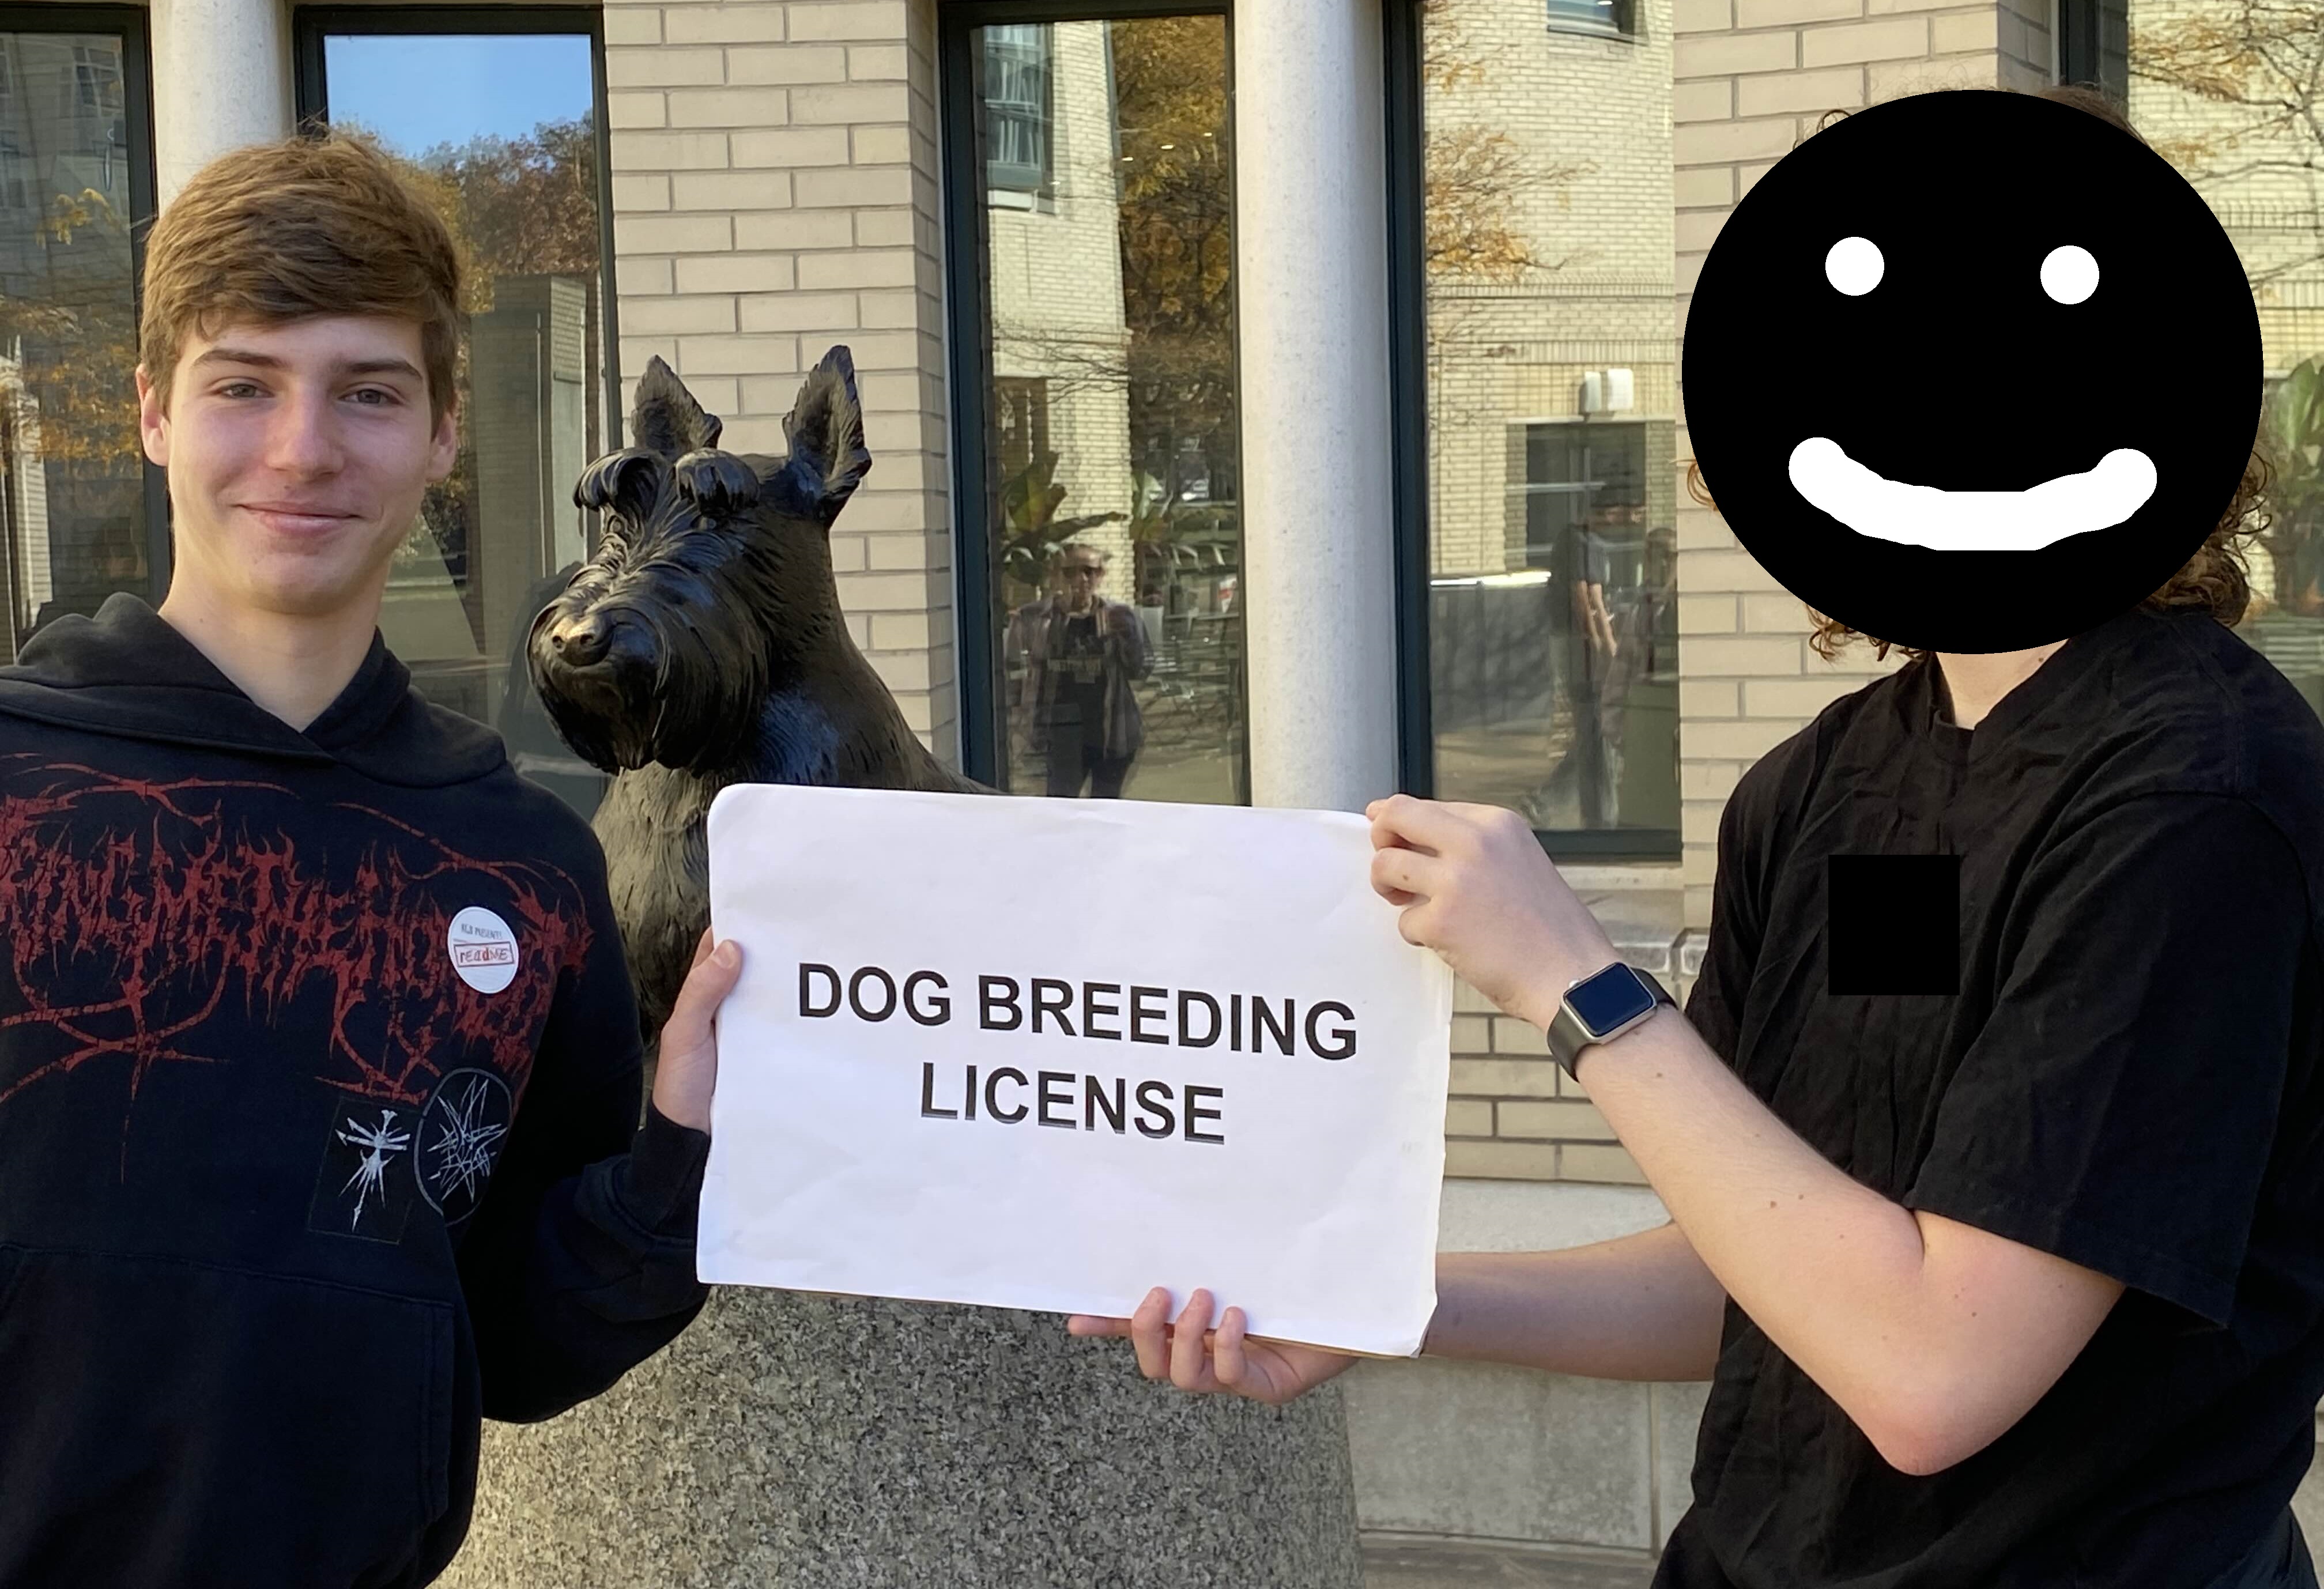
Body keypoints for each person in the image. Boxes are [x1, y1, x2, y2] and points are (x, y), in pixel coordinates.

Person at [0, 133, 741, 1588]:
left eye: (369, 391)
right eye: (242, 385)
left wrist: (678, 1160)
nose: (303, 448)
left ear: (445, 430)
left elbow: (520, 1333)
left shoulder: (524, 864)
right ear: (151, 412)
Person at [1009, 542, 1150, 798]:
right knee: (1062, 808)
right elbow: (1015, 674)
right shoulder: (1036, 618)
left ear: (1101, 575)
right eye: (1070, 572)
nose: (1081, 579)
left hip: (1113, 733)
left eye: (1090, 571)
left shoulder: (1119, 616)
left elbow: (1140, 671)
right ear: (1056, 576)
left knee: (1105, 809)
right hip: (1063, 733)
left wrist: (1127, 637)